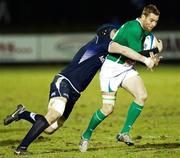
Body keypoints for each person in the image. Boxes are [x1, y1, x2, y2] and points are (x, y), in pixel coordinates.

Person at [4, 23, 158, 155]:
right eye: (114, 32)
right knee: (54, 113)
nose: (116, 34)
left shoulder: (111, 53)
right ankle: (21, 149)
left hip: (76, 92)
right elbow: (123, 48)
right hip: (64, 81)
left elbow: (130, 53)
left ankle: (22, 113)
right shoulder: (103, 43)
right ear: (105, 33)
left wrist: (155, 51)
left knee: (50, 128)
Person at [79, 4, 163, 152]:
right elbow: (133, 53)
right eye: (150, 20)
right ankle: (86, 135)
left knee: (142, 96)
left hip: (126, 68)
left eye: (155, 21)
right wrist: (153, 53)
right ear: (143, 16)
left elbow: (143, 57)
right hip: (112, 69)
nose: (153, 24)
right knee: (107, 109)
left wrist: (153, 60)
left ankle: (124, 133)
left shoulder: (146, 32)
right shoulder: (133, 28)